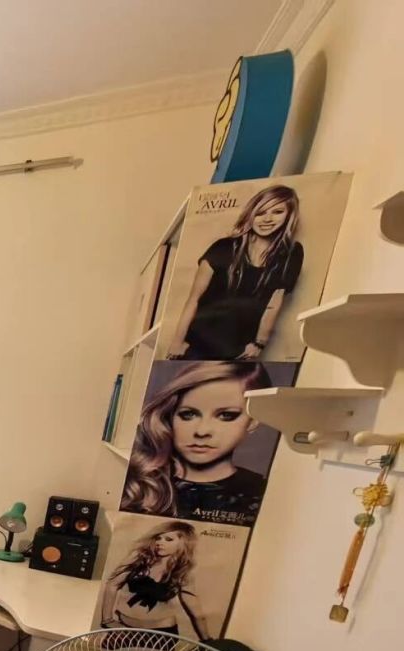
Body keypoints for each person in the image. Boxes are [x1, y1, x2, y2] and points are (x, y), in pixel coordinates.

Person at [121, 361, 271, 527]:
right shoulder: (135, 483)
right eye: (188, 414)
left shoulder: (266, 492)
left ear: (253, 421)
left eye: (226, 415)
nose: (202, 431)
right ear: (170, 416)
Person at [168, 185, 303, 361]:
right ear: (251, 215)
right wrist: (177, 341)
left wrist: (259, 343)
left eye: (277, 212)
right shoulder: (223, 247)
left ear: (289, 215)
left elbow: (274, 304)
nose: (267, 219)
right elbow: (194, 298)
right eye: (260, 212)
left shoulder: (292, 253)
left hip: (239, 350)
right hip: (198, 343)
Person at [100, 521, 208, 639]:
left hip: (160, 635)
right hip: (124, 630)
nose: (159, 543)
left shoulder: (182, 573)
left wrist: (207, 641)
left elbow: (196, 613)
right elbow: (112, 585)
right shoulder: (140, 560)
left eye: (168, 539)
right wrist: (107, 620)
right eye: (158, 538)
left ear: (183, 543)